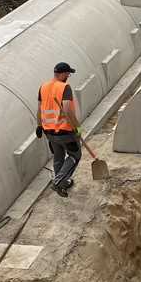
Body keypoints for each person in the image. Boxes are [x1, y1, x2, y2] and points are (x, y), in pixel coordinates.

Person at [36, 62, 82, 198]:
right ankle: (58, 181)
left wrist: (39, 125)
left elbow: (39, 109)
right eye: (68, 74)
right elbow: (67, 109)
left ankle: (62, 182)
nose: (68, 76)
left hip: (49, 132)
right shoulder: (64, 87)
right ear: (62, 74)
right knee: (75, 155)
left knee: (58, 156)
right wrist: (77, 127)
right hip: (64, 131)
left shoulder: (43, 87)